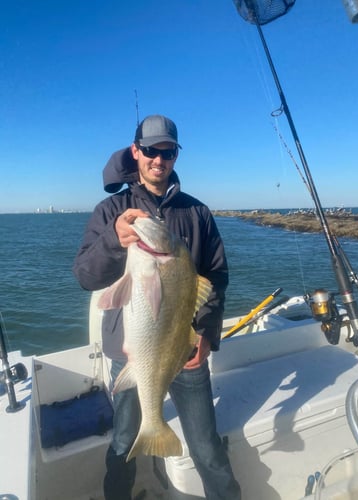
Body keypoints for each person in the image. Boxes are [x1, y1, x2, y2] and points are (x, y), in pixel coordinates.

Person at [73, 114, 241, 500]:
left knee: (207, 448)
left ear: (175, 157)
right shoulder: (109, 211)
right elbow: (86, 276)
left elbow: (216, 276)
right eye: (150, 150)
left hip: (186, 350)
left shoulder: (198, 213)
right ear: (136, 152)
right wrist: (115, 241)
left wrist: (207, 335)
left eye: (167, 152)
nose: (158, 159)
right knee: (121, 444)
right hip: (133, 353)